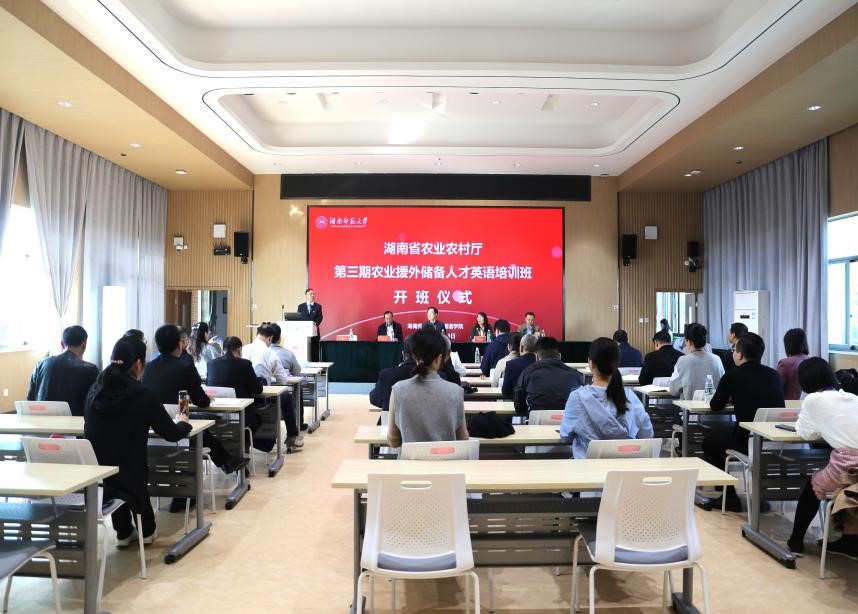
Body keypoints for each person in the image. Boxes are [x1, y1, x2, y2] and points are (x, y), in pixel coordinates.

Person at [84, 336, 193, 546]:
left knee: (116, 461)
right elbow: (170, 434)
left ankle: (124, 532)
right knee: (132, 465)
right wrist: (183, 423)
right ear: (138, 363)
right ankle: (147, 531)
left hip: (99, 476)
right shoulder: (143, 394)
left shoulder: (94, 391)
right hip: (131, 475)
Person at [142, 324, 245, 513]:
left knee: (200, 428)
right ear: (179, 344)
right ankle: (222, 464)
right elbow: (201, 401)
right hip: (177, 424)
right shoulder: (184, 366)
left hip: (153, 428)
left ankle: (225, 462)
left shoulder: (148, 367)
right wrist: (205, 399)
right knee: (203, 425)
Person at [786, 358, 858, 558]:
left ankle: (796, 541)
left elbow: (805, 433)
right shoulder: (851, 397)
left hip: (848, 465)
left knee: (813, 486)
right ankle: (849, 542)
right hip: (852, 464)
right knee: (850, 492)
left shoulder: (813, 400)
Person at [705, 332, 785, 512]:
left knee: (709, 443)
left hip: (745, 440)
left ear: (740, 355)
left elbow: (715, 405)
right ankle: (761, 497)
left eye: (734, 350)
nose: (733, 353)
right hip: (775, 442)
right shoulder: (774, 375)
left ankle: (729, 497)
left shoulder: (732, 376)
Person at [560, 337, 653, 458]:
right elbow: (647, 433)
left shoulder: (577, 398)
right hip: (623, 467)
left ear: (591, 363)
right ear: (617, 363)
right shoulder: (630, 397)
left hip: (587, 468)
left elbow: (565, 436)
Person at [387, 328, 468, 448]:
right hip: (446, 459)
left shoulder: (398, 390)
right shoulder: (456, 391)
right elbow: (463, 439)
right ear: (439, 358)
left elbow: (394, 442)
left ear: (414, 356)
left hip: (411, 460)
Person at [243, 323, 304, 448]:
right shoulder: (270, 353)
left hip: (243, 397)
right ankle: (292, 436)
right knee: (286, 397)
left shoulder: (244, 349)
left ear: (257, 334)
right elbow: (283, 381)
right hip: (261, 398)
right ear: (270, 338)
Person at [206, 336, 268, 450]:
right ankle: (245, 446)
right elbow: (257, 390)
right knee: (259, 417)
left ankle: (238, 447)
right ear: (239, 349)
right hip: (242, 417)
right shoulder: (245, 364)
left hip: (215, 417)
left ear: (223, 349)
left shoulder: (211, 364)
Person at [27, 325, 99, 416]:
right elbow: (95, 405)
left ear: (62, 344)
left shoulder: (40, 365)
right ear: (84, 345)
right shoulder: (90, 370)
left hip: (42, 421)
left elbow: (30, 399)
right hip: (75, 423)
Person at [514, 336, 582, 416]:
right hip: (566, 422)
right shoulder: (575, 375)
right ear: (559, 356)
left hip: (536, 422)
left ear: (537, 357)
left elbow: (518, 406)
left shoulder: (527, 372)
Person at [668, 323, 724, 400]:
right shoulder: (717, 359)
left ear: (689, 342)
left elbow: (673, 390)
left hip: (689, 407)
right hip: (714, 406)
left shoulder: (683, 361)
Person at [370, 335, 417, 412]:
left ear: (403, 354)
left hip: (389, 418)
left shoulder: (386, 375)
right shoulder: (428, 376)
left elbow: (373, 399)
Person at [501, 333, 538, 398]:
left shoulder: (511, 365)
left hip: (516, 402)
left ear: (521, 348)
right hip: (537, 403)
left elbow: (505, 391)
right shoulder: (541, 365)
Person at [778, 328, 810, 401]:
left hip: (789, 404)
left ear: (788, 344)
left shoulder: (785, 363)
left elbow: (777, 387)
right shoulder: (810, 360)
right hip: (806, 403)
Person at [297, 288, 323, 361]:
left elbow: (320, 317)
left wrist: (314, 324)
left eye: (313, 294)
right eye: (311, 294)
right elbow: (298, 318)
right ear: (306, 295)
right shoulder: (301, 306)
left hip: (314, 334)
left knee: (314, 354)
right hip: (303, 335)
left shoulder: (318, 306)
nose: (312, 295)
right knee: (304, 354)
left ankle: (315, 368)